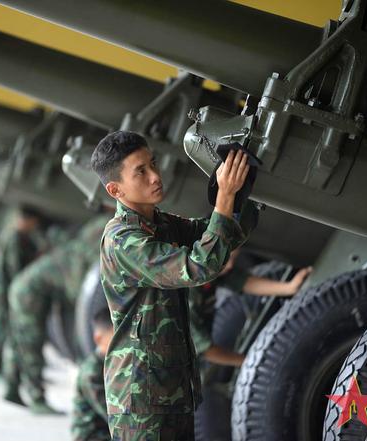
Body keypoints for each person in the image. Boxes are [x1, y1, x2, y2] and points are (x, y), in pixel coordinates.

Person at [91, 131, 257, 440]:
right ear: (115, 189)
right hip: (140, 397)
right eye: (140, 171)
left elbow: (220, 236)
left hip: (172, 389)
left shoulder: (161, 224)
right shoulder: (123, 241)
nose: (155, 176)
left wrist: (238, 190)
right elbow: (199, 267)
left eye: (153, 163)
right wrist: (223, 197)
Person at [5, 213, 111, 414]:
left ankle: (12, 387)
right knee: (30, 344)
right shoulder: (80, 258)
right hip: (28, 293)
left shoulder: (75, 250)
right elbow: (80, 296)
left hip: (22, 288)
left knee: (20, 340)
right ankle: (36, 399)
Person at [189, 249, 312, 368]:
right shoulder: (187, 295)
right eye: (226, 260)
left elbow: (244, 282)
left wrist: (289, 288)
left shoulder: (211, 265)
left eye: (233, 258)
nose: (231, 266)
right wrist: (253, 362)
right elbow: (206, 350)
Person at [0, 206, 44, 378]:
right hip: (2, 292)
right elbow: (14, 269)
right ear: (27, 221)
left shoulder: (10, 234)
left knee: (4, 331)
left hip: (1, 290)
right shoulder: (14, 238)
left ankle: (7, 371)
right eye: (33, 223)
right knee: (1, 331)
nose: (34, 227)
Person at [71, 308, 113, 441]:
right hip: (93, 435)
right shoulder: (92, 372)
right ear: (98, 338)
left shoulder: (111, 363)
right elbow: (111, 414)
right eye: (115, 339)